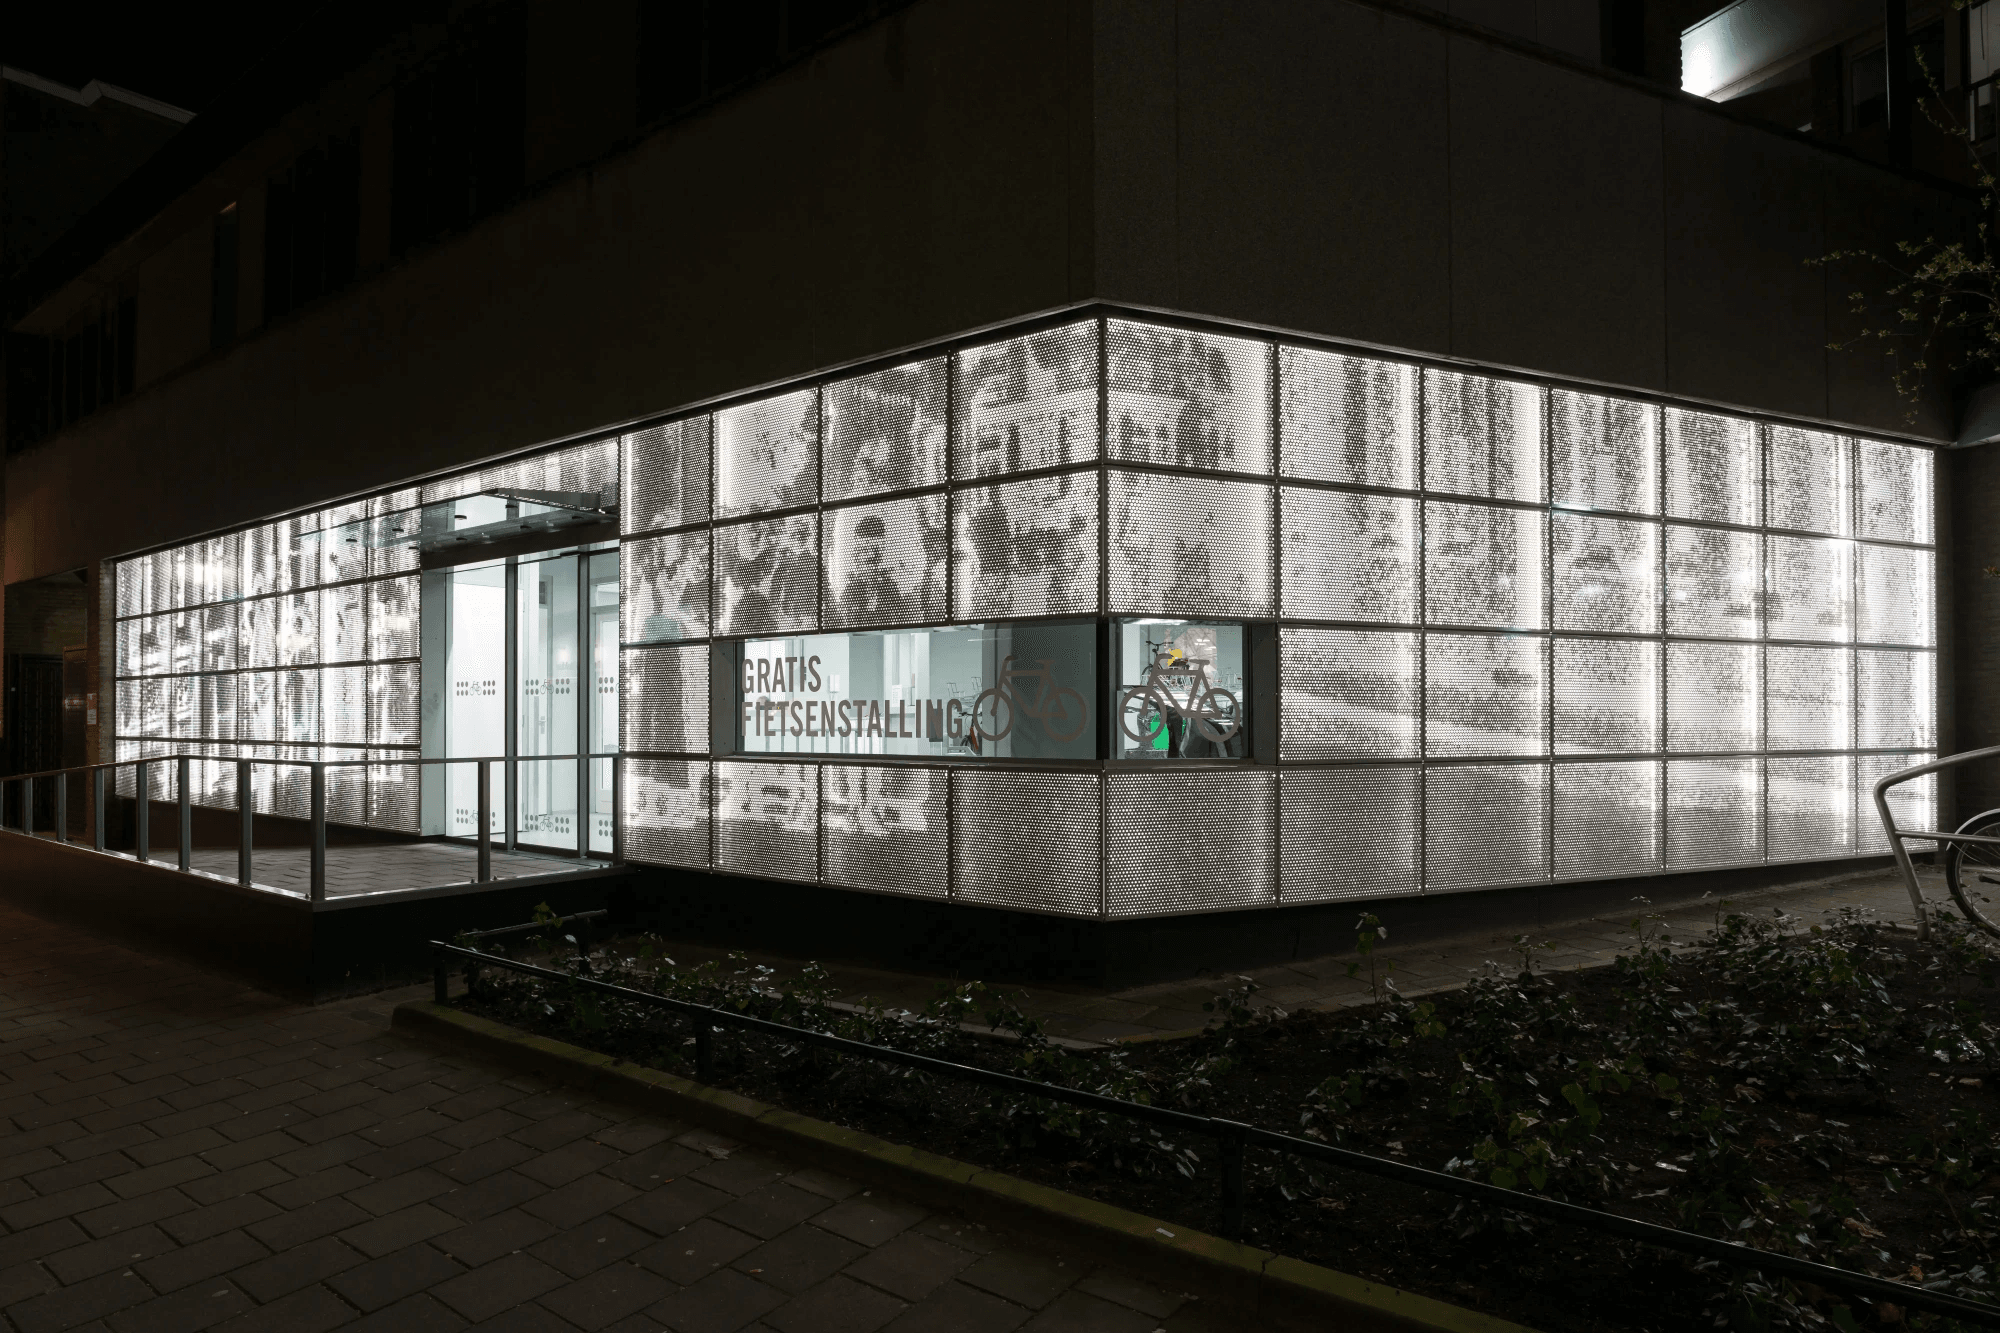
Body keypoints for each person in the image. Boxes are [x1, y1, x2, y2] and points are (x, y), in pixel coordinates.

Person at [839, 513, 913, 624]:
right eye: (863, 549)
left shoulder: (891, 589)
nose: (871, 554)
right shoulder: (850, 592)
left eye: (875, 549)